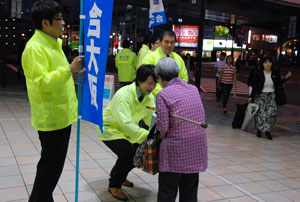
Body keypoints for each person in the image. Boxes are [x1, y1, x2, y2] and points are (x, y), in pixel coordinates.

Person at [21, 1, 83, 201]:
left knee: (53, 168)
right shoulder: (35, 48)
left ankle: (43, 197)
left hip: (63, 116)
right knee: (49, 168)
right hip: (51, 119)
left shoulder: (54, 42)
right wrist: (69, 69)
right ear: (45, 23)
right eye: (59, 19)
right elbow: (42, 83)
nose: (63, 23)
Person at [99, 65, 156, 201]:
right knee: (129, 153)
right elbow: (126, 123)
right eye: (149, 83)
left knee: (137, 153)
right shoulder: (123, 94)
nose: (152, 87)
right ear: (139, 81)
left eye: (155, 84)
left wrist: (155, 134)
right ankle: (114, 185)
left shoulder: (149, 97)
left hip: (128, 132)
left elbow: (150, 120)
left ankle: (120, 175)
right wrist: (146, 137)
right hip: (110, 129)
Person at [155, 58, 207, 202]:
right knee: (189, 193)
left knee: (167, 192)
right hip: (196, 149)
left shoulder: (163, 95)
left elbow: (163, 128)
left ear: (159, 77)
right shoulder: (193, 88)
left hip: (175, 152)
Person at [248, 57, 292, 140]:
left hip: (271, 96)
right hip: (260, 96)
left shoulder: (275, 72)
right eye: (265, 62)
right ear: (262, 64)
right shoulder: (258, 73)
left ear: (272, 63)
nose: (268, 64)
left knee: (270, 113)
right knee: (260, 114)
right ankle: (259, 130)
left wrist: (286, 78)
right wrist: (251, 97)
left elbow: (278, 83)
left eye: (269, 62)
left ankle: (267, 131)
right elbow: (255, 86)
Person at [142, 30, 188, 97]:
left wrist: (176, 93)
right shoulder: (150, 58)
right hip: (154, 100)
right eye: (166, 42)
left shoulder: (178, 59)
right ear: (160, 42)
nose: (169, 45)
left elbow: (184, 79)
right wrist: (166, 94)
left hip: (176, 97)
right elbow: (146, 80)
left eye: (172, 42)